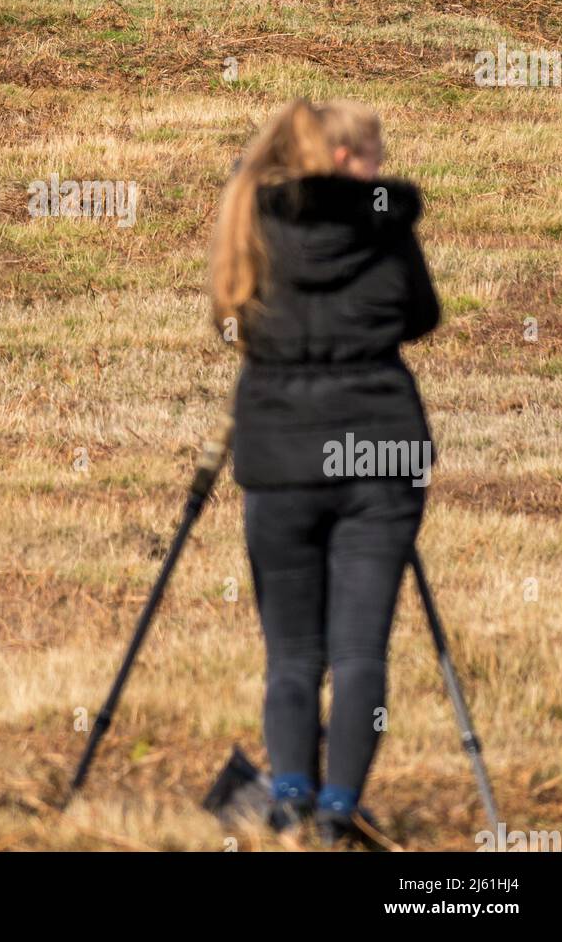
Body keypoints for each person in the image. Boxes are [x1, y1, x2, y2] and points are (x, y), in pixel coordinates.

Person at [209, 98, 440, 844]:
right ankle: (340, 810)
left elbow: (230, 318)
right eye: (371, 155)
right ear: (344, 159)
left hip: (280, 456)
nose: (380, 168)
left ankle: (287, 799)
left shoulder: (251, 220)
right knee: (359, 650)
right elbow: (422, 315)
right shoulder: (384, 223)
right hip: (382, 451)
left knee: (293, 652)